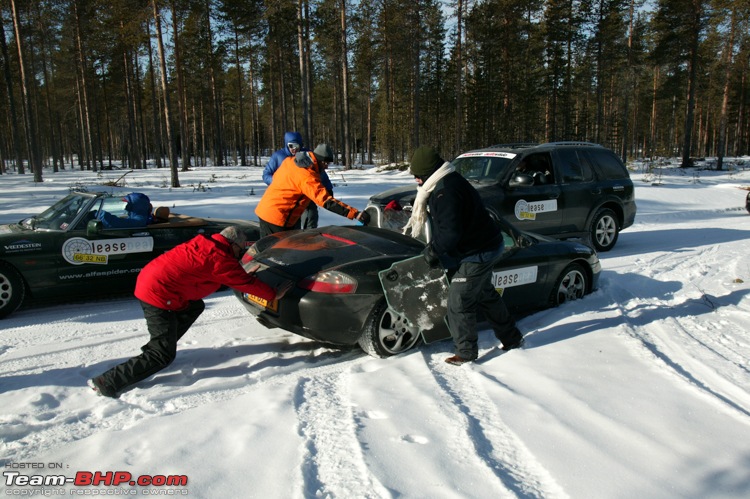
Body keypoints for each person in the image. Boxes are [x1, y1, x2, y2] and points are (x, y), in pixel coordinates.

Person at [87, 226, 291, 398]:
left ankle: (160, 345)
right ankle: (107, 382)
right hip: (157, 295)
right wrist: (273, 294)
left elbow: (222, 272)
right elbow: (240, 280)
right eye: (240, 249)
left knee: (195, 306)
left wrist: (240, 272)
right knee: (161, 356)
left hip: (152, 282)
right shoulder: (219, 258)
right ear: (233, 244)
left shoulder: (206, 244)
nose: (240, 253)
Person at [404, 146, 524, 365]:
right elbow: (447, 219)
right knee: (485, 293)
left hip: (479, 251)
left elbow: (451, 233)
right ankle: (512, 338)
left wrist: (432, 251)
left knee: (459, 300)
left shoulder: (446, 191)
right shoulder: (445, 181)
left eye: (418, 176)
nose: (416, 180)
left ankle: (466, 352)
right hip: (482, 244)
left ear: (428, 173)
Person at [255, 143, 369, 237]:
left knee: (270, 252)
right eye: (326, 163)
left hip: (268, 211)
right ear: (321, 161)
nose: (327, 167)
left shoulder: (291, 161)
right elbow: (326, 201)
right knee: (275, 256)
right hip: (277, 218)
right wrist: (354, 213)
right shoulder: (306, 176)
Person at [262, 131, 334, 230]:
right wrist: (278, 182)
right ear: (286, 145)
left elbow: (320, 172)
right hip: (287, 197)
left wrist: (328, 188)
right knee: (291, 223)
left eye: (297, 146)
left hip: (307, 194)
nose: (294, 149)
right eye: (291, 146)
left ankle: (308, 239)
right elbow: (266, 174)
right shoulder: (278, 156)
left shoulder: (307, 156)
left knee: (310, 219)